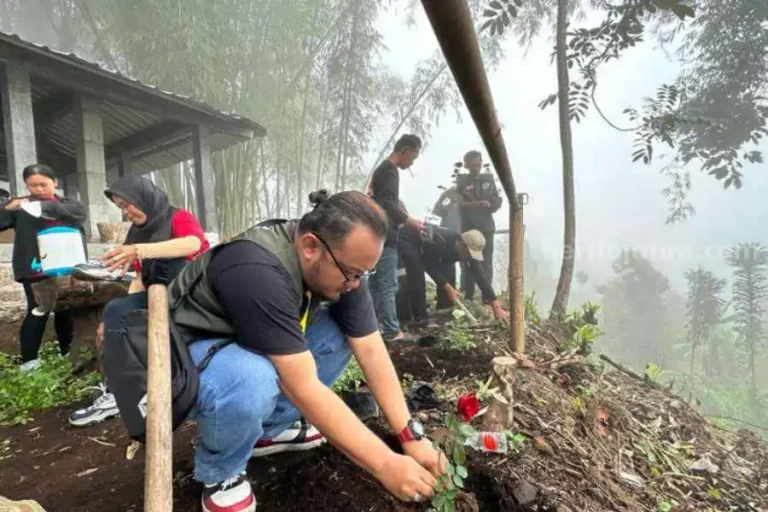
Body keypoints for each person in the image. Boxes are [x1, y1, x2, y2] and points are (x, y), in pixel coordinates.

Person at [105, 190, 446, 512]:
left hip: (248, 341)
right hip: (189, 355)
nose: (356, 284)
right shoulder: (255, 267)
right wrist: (385, 464)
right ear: (311, 246)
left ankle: (266, 431)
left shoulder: (342, 259)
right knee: (253, 377)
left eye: (363, 274)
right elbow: (301, 384)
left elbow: (370, 347)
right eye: (352, 274)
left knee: (340, 332)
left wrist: (409, 434)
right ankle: (220, 470)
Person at [68, 174, 209, 427]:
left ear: (143, 197)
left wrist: (140, 250)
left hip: (191, 295)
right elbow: (138, 276)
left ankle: (177, 392)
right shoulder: (137, 232)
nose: (126, 212)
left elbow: (193, 243)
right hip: (156, 296)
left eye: (127, 204)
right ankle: (119, 394)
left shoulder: (178, 217)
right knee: (114, 316)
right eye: (120, 208)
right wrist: (126, 318)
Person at [0, 164, 87, 372]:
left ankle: (68, 354)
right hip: (35, 268)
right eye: (32, 186)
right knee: (38, 310)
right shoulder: (20, 207)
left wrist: (44, 206)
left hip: (66, 266)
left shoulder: (68, 205)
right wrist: (6, 207)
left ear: (55, 182)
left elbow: (78, 215)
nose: (38, 190)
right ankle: (29, 362)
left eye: (43, 184)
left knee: (65, 309)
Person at [368, 134, 424, 342]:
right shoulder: (390, 170)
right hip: (386, 234)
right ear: (405, 150)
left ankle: (371, 327)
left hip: (379, 232)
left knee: (376, 283)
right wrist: (410, 221)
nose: (411, 163)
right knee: (388, 284)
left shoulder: (382, 169)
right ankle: (392, 330)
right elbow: (389, 204)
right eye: (413, 157)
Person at [399, 225, 510, 326]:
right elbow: (429, 266)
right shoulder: (440, 241)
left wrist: (496, 305)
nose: (469, 257)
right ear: (461, 245)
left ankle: (444, 312)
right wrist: (448, 288)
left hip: (436, 254)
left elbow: (480, 277)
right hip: (410, 241)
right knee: (417, 274)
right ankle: (420, 319)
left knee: (449, 274)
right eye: (469, 253)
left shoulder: (465, 251)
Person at [456, 151, 502, 301]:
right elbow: (460, 204)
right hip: (469, 228)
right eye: (473, 165)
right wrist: (477, 204)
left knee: (487, 262)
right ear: (466, 165)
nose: (476, 168)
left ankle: (487, 298)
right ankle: (468, 295)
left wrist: (491, 204)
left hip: (486, 226)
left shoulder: (488, 178)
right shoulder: (462, 181)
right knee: (468, 262)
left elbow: (496, 200)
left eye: (479, 164)